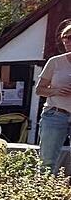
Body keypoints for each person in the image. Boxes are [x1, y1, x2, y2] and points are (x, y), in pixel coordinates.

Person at [36, 23, 71, 173]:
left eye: (70, 38)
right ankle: (43, 195)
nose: (67, 41)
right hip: (56, 114)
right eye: (64, 38)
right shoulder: (55, 62)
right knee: (47, 162)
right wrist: (56, 90)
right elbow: (39, 90)